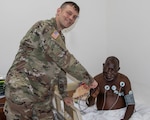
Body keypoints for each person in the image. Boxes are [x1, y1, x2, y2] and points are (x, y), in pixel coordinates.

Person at [4, 1, 98, 120]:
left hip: (42, 93)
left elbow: (61, 68)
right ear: (58, 11)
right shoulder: (44, 27)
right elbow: (65, 60)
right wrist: (90, 80)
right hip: (23, 87)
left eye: (74, 17)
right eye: (68, 13)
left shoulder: (60, 38)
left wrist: (64, 95)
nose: (71, 18)